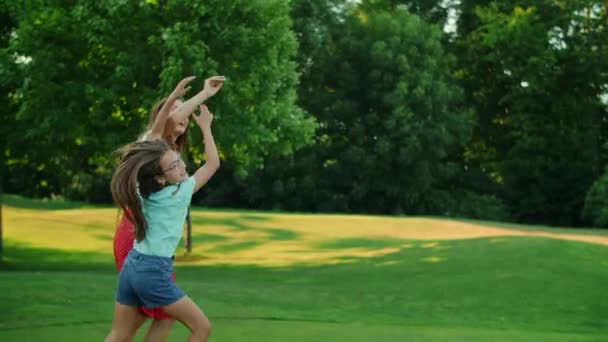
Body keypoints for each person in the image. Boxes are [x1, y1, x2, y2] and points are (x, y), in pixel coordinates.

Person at [111, 75, 224, 341]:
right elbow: (210, 162)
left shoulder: (164, 157)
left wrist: (185, 102)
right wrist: (201, 95)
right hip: (136, 237)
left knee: (146, 319)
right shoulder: (151, 147)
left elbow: (175, 123)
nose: (181, 113)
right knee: (161, 316)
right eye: (174, 108)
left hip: (139, 250)